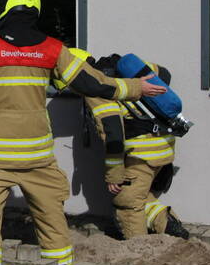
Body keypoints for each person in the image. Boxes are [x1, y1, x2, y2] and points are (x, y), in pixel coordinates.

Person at [0, 0, 165, 265]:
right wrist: (135, 88)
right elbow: (93, 84)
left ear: (3, 6)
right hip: (36, 155)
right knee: (51, 212)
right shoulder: (52, 48)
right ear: (34, 7)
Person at [70, 51, 189, 239]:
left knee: (127, 202)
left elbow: (112, 132)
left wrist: (114, 174)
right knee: (139, 195)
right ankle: (166, 225)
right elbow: (164, 75)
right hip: (164, 143)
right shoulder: (124, 67)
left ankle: (139, 250)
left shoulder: (96, 87)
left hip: (140, 153)